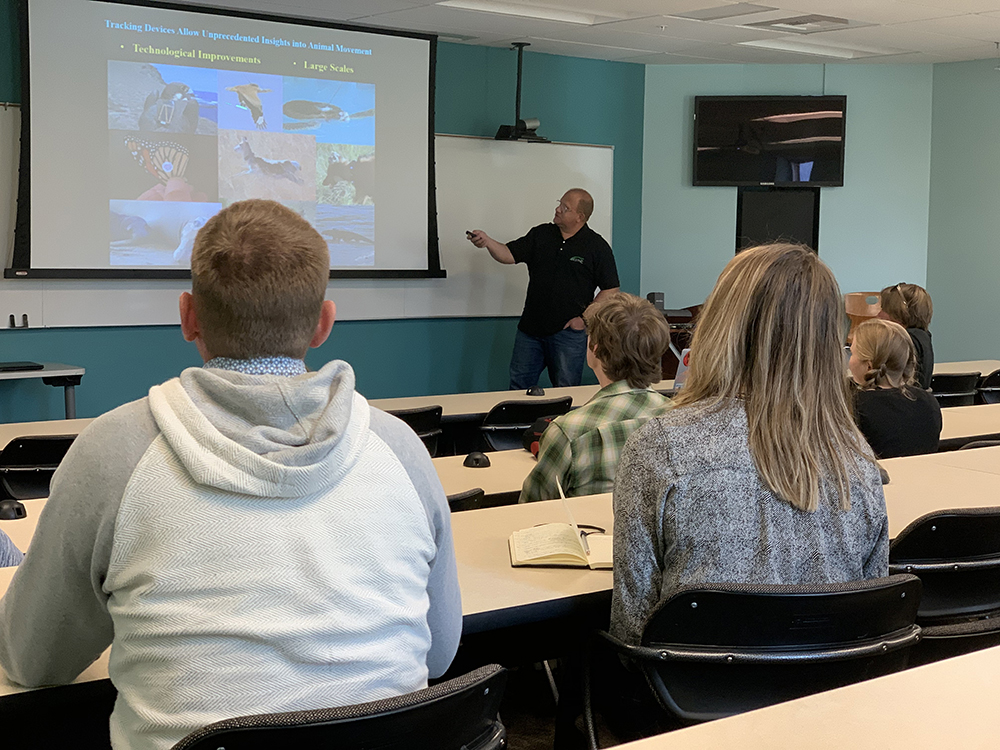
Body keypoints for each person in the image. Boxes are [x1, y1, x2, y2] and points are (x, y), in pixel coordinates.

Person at [0, 200, 462, 750]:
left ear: (188, 315)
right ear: (323, 324)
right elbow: (439, 653)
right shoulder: (401, 451)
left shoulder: (114, 453)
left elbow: (32, 659)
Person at [610, 244, 888, 646]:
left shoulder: (659, 446)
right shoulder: (859, 460)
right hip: (828, 693)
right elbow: (869, 610)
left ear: (720, 326)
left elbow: (632, 631)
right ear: (829, 342)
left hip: (692, 696)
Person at [519, 292, 673, 503]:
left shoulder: (568, 432)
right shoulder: (682, 420)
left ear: (595, 350)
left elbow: (531, 508)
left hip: (589, 534)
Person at [468, 188, 620, 389]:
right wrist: (487, 242)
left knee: (567, 390)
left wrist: (583, 320)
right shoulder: (541, 234)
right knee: (519, 387)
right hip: (530, 331)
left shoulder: (596, 246)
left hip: (568, 334)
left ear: (579, 217)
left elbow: (611, 289)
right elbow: (508, 254)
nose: (558, 209)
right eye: (560, 203)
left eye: (565, 208)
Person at [849, 318, 942, 458]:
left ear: (868, 365)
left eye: (852, 353)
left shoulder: (854, 407)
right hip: (925, 478)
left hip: (880, 480)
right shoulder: (929, 402)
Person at [878, 282, 934, 389]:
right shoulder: (924, 337)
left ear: (898, 313)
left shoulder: (904, 341)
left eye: (884, 310)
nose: (878, 315)